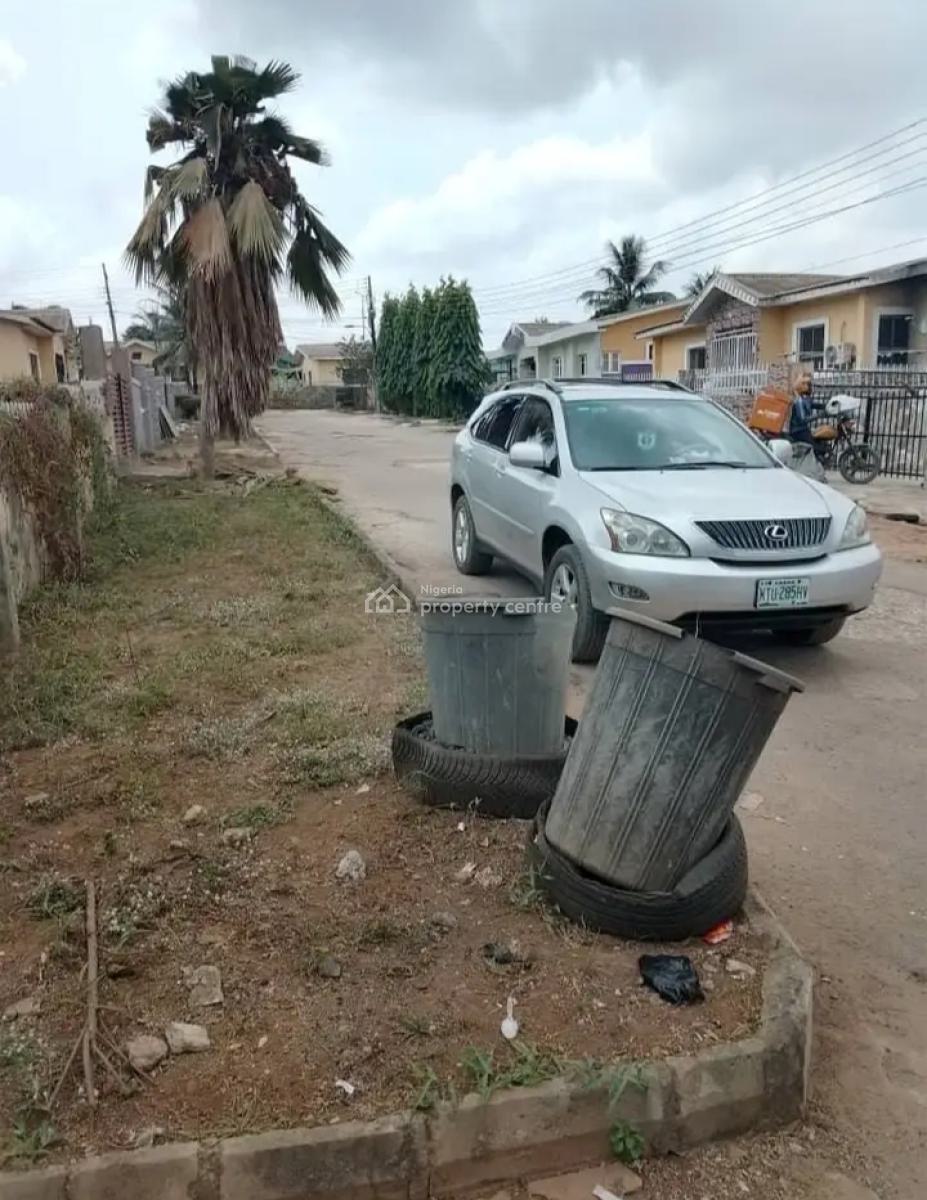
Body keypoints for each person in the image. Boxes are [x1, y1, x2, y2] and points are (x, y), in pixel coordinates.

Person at [788, 373, 816, 447]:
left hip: (802, 429)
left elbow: (814, 405)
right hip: (798, 431)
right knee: (816, 447)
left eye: (810, 384)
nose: (810, 387)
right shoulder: (799, 400)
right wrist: (819, 415)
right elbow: (802, 419)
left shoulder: (804, 398)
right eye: (808, 385)